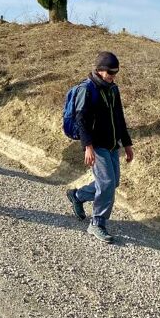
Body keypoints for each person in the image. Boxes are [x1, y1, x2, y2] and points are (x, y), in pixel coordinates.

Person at [66, 52, 134, 244]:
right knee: (106, 184)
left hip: (112, 144)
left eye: (116, 71)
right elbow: (82, 121)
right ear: (99, 70)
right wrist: (87, 147)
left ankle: (78, 196)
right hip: (96, 145)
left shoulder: (113, 89)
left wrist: (127, 144)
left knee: (113, 183)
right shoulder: (86, 89)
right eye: (110, 71)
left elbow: (119, 117)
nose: (113, 74)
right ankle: (97, 223)